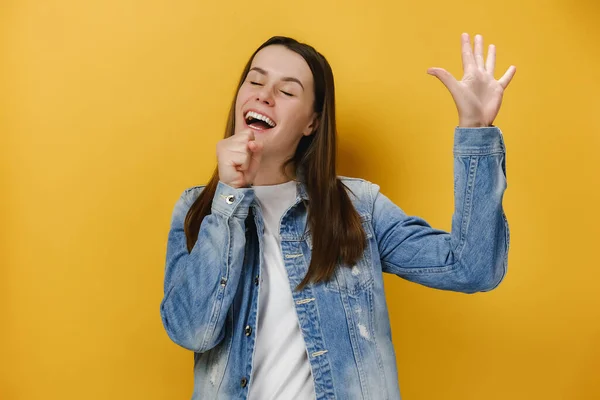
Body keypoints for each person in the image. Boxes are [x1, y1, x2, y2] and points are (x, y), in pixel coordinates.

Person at [160, 33, 516, 400]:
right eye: (255, 80)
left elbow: (472, 267)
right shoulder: (198, 210)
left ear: (311, 123)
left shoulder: (358, 207)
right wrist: (229, 199)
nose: (264, 95)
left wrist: (476, 132)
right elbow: (192, 331)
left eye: (287, 91)